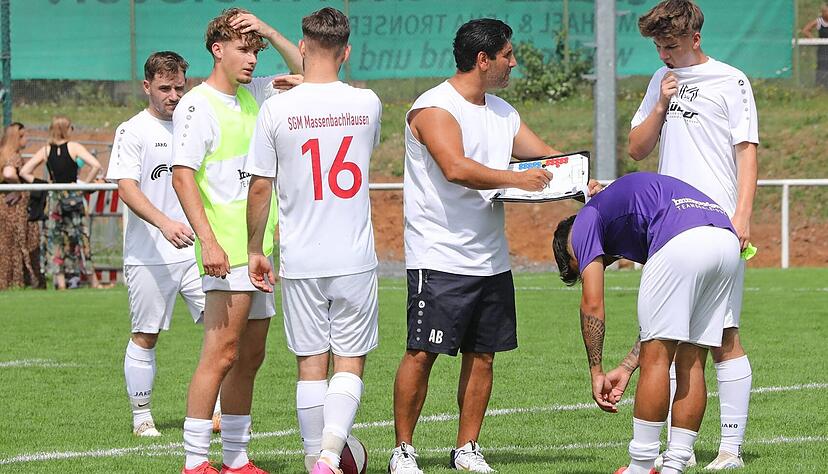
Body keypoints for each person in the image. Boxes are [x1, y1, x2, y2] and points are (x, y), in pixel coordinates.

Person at [388, 18, 598, 474]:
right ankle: (403, 450)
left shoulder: (503, 112)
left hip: (490, 258)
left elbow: (548, 160)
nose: (513, 62)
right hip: (438, 256)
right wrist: (516, 177)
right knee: (422, 352)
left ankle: (467, 448)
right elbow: (456, 168)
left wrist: (583, 182)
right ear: (483, 60)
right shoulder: (433, 108)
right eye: (507, 55)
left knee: (482, 354)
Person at [245, 8, 380, 474]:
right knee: (348, 362)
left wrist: (254, 249)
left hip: (300, 257)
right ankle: (328, 455)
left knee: (310, 365)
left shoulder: (275, 107)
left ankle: (312, 457)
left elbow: (260, 186)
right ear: (346, 51)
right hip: (353, 257)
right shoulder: (368, 104)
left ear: (302, 48)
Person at [628, 1, 759, 470]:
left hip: (718, 226)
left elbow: (746, 153)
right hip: (669, 229)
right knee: (667, 338)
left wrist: (741, 217)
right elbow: (637, 148)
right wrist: (661, 103)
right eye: (659, 45)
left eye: (673, 44)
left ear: (695, 38)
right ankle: (674, 451)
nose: (665, 53)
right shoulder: (658, 83)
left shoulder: (732, 80)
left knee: (723, 336)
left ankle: (731, 448)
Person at [171, 8, 301, 474]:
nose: (251, 59)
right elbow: (182, 177)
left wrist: (266, 28)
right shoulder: (196, 105)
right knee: (220, 353)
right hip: (224, 253)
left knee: (251, 355)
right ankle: (193, 462)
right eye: (243, 49)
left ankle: (237, 459)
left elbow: (307, 71)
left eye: (254, 51)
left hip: (257, 252)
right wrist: (207, 242)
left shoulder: (256, 96)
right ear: (217, 50)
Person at [552, 172, 741, 474]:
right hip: (725, 237)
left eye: (580, 265)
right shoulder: (630, 225)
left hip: (684, 238)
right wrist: (627, 366)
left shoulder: (585, 222)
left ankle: (640, 467)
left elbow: (592, 304)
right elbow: (665, 323)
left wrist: (596, 371)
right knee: (692, 360)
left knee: (657, 361)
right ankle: (675, 465)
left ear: (568, 249)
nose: (593, 264)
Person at [106, 51, 225, 438]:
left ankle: (218, 410)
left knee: (220, 328)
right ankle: (142, 417)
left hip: (197, 251)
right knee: (146, 334)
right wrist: (165, 223)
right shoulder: (133, 130)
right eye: (164, 88)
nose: (174, 95)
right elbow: (126, 188)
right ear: (147, 87)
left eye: (179, 87)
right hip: (149, 255)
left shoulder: (194, 125)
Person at [19, 115, 104, 290]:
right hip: (74, 197)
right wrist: (85, 185)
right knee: (81, 237)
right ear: (67, 129)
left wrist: (46, 185)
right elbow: (96, 165)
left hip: (54, 199)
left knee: (55, 239)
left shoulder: (45, 150)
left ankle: (61, 283)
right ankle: (93, 281)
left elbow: (25, 172)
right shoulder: (74, 147)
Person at [0, 122, 37, 289]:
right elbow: (9, 173)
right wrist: (18, 189)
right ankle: (17, 280)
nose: (27, 139)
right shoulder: (13, 156)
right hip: (14, 208)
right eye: (24, 136)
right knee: (17, 242)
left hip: (4, 206)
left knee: (6, 243)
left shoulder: (2, 154)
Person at [800, 2, 828, 87]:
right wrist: (814, 40)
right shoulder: (819, 21)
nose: (825, 13)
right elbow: (805, 30)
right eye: (824, 11)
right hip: (823, 49)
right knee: (822, 66)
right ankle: (820, 86)